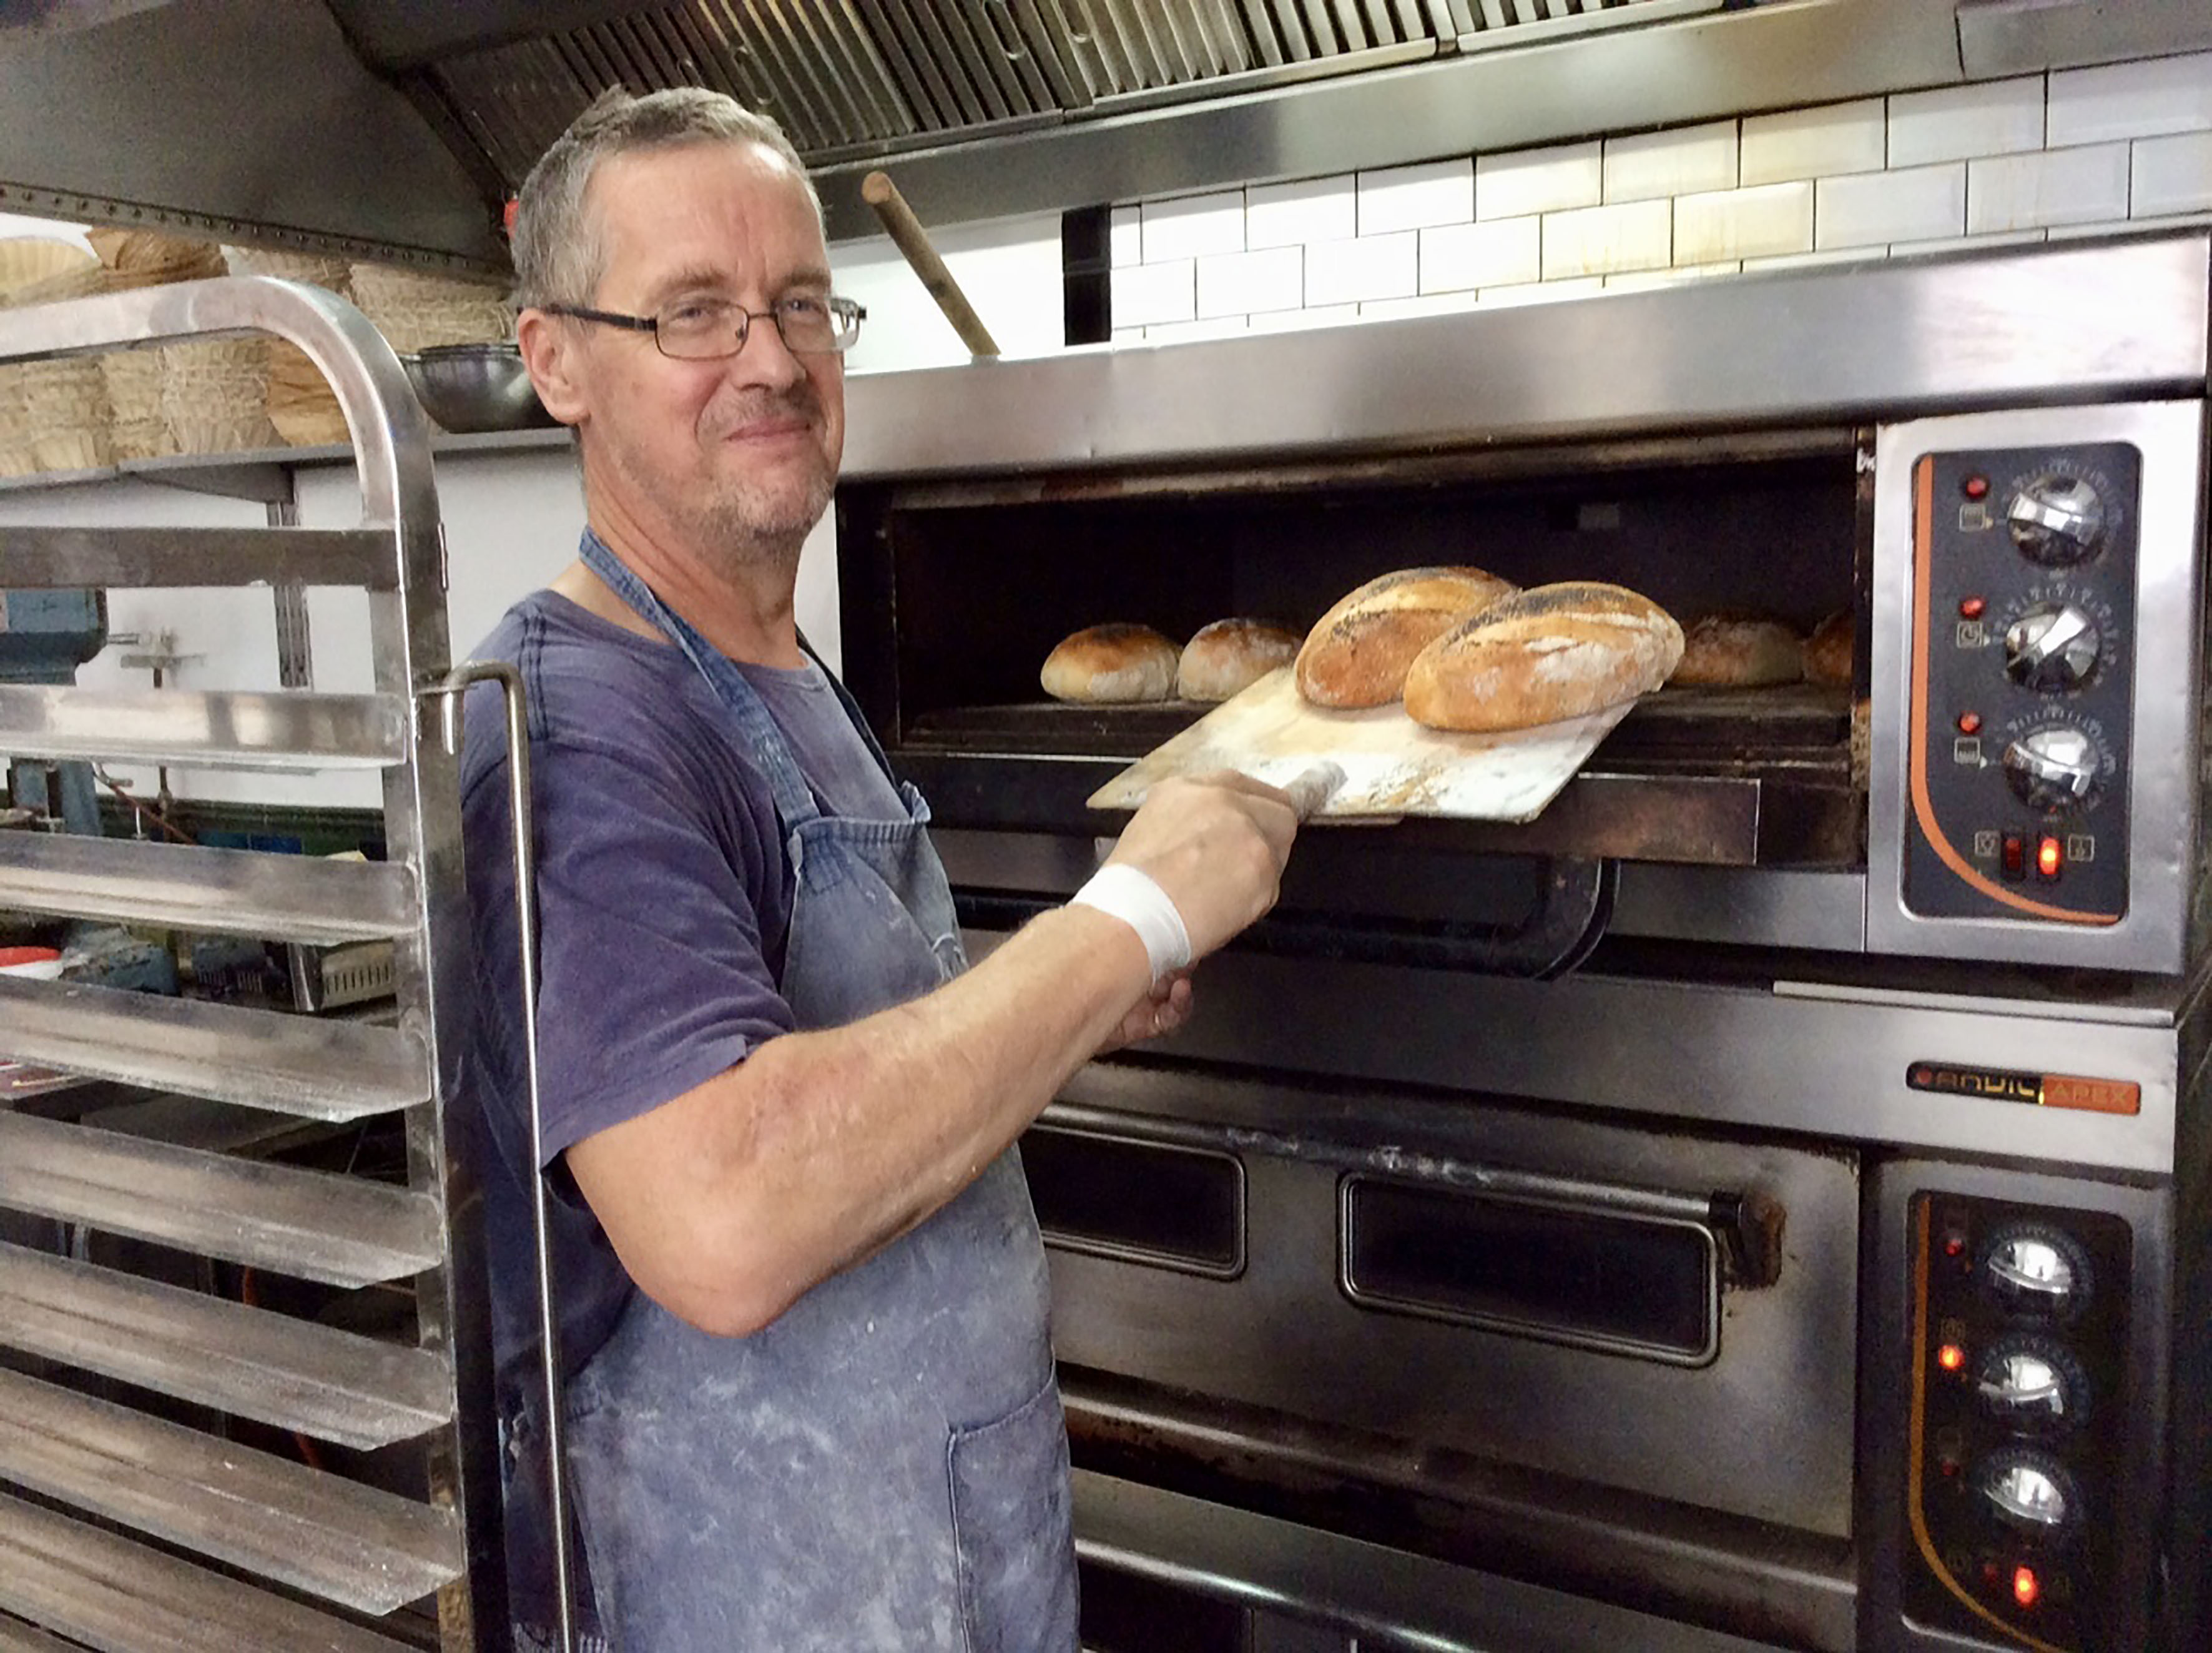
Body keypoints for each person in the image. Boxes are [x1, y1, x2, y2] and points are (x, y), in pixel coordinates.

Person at [458, 86, 1302, 1652]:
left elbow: (827, 1047)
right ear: (555, 359)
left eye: (799, 304)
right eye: (693, 313)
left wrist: (1049, 994)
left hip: (942, 1570)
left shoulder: (775, 669)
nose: (771, 360)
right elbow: (720, 1216)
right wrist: (1124, 920)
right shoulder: (580, 731)